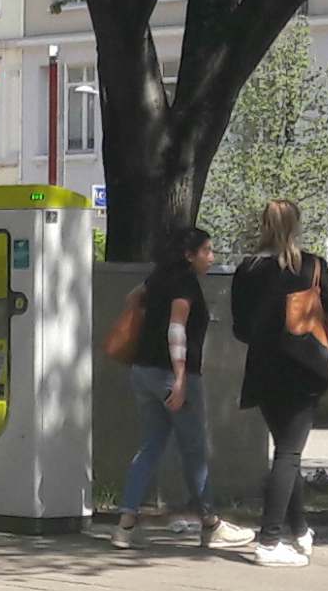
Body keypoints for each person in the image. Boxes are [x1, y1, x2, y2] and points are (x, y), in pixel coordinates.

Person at [109, 230, 257, 551]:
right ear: (189, 255)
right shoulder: (185, 285)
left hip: (143, 371)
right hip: (171, 375)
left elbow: (132, 298)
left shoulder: (158, 278)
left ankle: (125, 525)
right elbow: (177, 330)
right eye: (207, 251)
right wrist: (179, 379)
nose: (212, 257)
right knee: (194, 451)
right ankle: (210, 524)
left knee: (150, 447)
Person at [226, 199, 328, 566]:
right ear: (296, 226)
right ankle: (269, 540)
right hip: (303, 369)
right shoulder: (312, 266)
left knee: (285, 451)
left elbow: (240, 328)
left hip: (263, 369)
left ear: (263, 225)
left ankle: (300, 530)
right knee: (289, 453)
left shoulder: (247, 269)